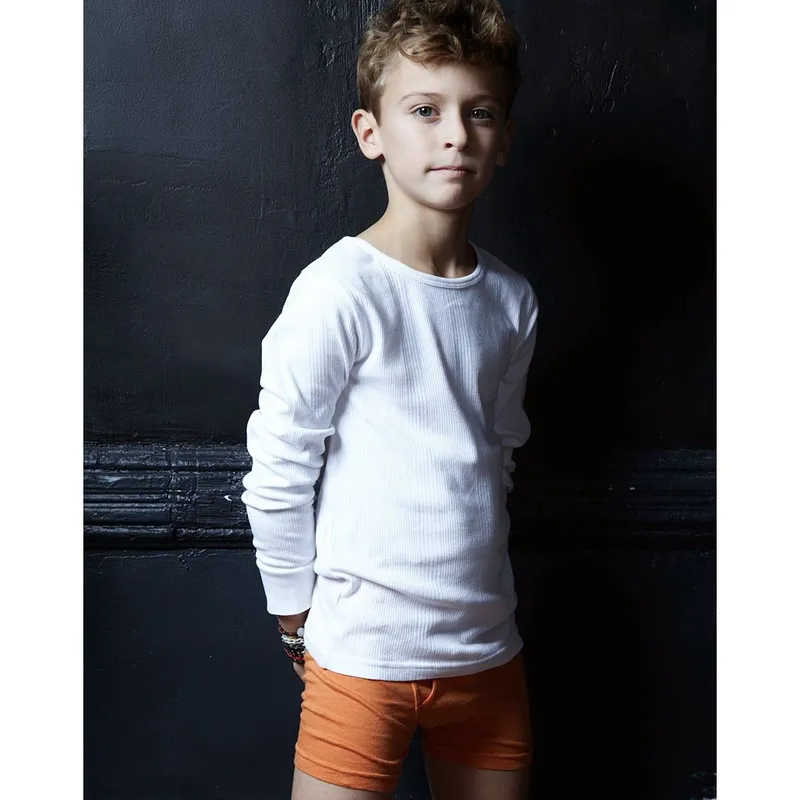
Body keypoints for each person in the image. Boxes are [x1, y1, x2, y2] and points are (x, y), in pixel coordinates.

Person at [242, 1, 539, 797]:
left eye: (480, 112)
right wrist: (296, 621)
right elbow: (279, 469)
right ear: (371, 132)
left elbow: (498, 455)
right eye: (425, 110)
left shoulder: (512, 300)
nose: (456, 135)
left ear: (505, 138)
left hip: (487, 655)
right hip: (360, 659)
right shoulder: (339, 290)